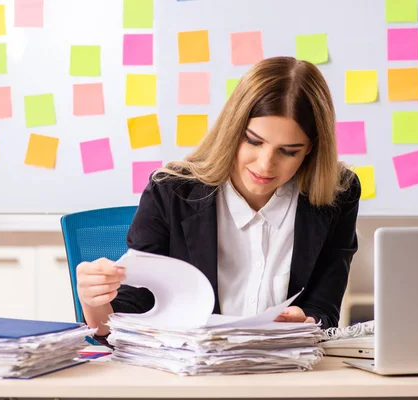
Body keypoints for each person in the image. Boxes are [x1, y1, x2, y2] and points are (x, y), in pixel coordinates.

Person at [76, 56, 361, 336]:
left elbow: (324, 309)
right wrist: (93, 300)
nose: (265, 164)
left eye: (288, 151)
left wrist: (307, 321)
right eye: (253, 141)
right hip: (192, 375)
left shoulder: (338, 196)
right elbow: (125, 319)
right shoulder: (171, 192)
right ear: (233, 129)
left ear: (311, 148)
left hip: (285, 372)